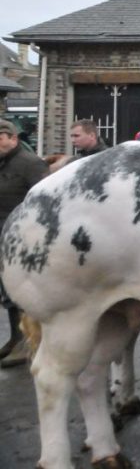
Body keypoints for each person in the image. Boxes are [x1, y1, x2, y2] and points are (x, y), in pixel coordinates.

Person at [0, 119, 49, 368]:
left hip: (22, 238)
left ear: (12, 138)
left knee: (20, 291)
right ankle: (15, 337)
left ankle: (28, 341)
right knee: (6, 292)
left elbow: (44, 200)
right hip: (2, 236)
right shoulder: (3, 163)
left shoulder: (30, 164)